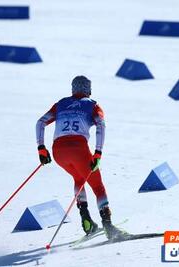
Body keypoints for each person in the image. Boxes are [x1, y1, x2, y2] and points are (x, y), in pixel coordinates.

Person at [35, 75, 122, 239]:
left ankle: (86, 220)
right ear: (88, 89)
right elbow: (101, 126)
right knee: (97, 186)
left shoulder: (60, 103)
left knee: (78, 178)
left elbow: (40, 122)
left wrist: (41, 148)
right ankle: (109, 227)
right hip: (78, 150)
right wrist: (98, 153)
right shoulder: (93, 105)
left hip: (58, 152)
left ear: (73, 89)